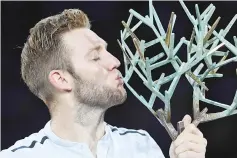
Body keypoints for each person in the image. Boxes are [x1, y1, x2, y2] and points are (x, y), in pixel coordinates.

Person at [0, 9, 207, 158]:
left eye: (106, 51)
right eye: (95, 57)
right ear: (61, 79)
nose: (115, 62)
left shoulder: (141, 145)